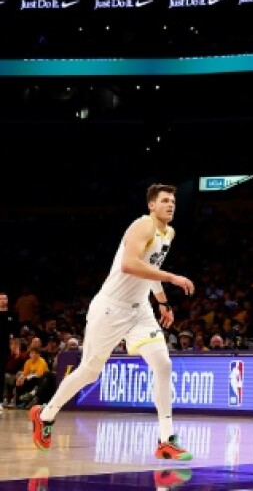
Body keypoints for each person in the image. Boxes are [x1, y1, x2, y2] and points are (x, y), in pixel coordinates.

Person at [31, 184, 194, 460]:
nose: (171, 205)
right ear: (151, 205)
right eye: (165, 201)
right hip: (110, 309)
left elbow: (149, 267)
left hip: (140, 309)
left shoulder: (170, 233)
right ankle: (45, 416)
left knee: (163, 364)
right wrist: (172, 278)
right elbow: (129, 265)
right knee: (89, 372)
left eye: (173, 201)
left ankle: (166, 439)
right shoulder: (142, 226)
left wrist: (162, 301)